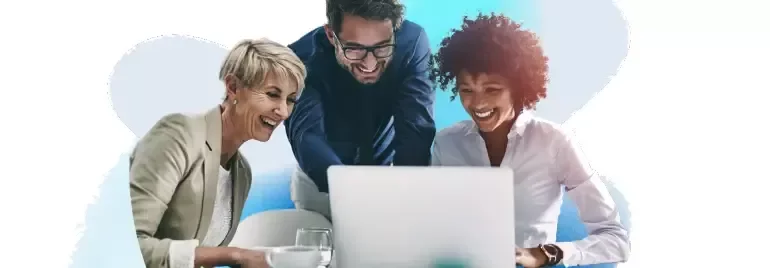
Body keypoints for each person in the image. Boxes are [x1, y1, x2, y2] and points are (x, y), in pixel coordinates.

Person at [429, 13, 631, 268]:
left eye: (492, 90)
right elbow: (434, 225)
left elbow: (615, 240)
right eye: (466, 90)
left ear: (519, 88)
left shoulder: (554, 142)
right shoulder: (447, 143)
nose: (477, 103)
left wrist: (546, 253)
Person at [129, 38, 307, 268]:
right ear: (233, 87)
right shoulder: (178, 135)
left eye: (291, 100)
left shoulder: (241, 173)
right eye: (273, 94)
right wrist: (235, 256)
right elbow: (128, 244)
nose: (283, 111)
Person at [285, 0, 436, 219]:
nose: (370, 64)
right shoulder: (300, 59)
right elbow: (307, 138)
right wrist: (357, 196)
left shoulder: (412, 43)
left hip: (389, 178)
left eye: (382, 47)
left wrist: (407, 194)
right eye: (354, 49)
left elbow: (416, 128)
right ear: (330, 34)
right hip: (320, 184)